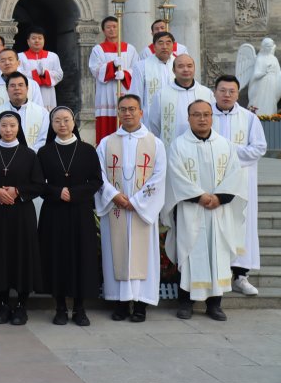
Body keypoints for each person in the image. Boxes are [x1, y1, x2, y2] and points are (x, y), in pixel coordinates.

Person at [164, 100, 247, 322]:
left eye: (206, 114)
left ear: (212, 117)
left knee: (218, 255)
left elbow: (235, 175)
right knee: (190, 253)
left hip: (219, 211)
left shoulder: (225, 145)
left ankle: (214, 304)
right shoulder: (179, 145)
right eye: (197, 114)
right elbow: (176, 176)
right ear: (188, 118)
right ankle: (185, 302)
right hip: (191, 210)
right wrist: (199, 196)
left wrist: (219, 197)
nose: (202, 119)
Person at [95, 94, 166, 322]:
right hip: (115, 208)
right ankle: (121, 303)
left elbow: (159, 177)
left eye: (132, 109)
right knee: (116, 254)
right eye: (123, 109)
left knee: (143, 256)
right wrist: (114, 195)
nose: (127, 113)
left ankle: (141, 305)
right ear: (117, 112)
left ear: (141, 112)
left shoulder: (155, 143)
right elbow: (98, 174)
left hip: (141, 211)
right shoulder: (106, 143)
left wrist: (136, 202)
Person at [37, 107, 102, 326]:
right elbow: (38, 184)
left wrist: (74, 193)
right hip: (53, 213)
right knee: (57, 258)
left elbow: (96, 181)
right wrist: (57, 192)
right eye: (57, 120)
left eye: (66, 120)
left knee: (81, 258)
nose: (62, 124)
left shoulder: (87, 150)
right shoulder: (44, 152)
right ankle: (60, 308)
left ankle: (80, 308)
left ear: (73, 122)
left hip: (80, 212)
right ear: (52, 124)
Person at [0, 111, 43, 325]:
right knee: (0, 255)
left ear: (19, 128)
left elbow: (38, 184)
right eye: (4, 125)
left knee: (22, 256)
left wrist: (17, 191)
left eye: (12, 125)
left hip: (22, 214)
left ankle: (21, 306)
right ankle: (4, 304)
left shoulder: (29, 154)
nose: (8, 130)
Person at [212, 75, 267, 296]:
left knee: (243, 225)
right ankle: (217, 274)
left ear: (237, 94)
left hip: (242, 182)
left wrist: (228, 152)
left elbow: (259, 148)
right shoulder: (206, 115)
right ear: (214, 92)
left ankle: (241, 276)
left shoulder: (249, 118)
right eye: (222, 90)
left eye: (231, 91)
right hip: (213, 180)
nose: (227, 95)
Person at [89, 15, 138, 144]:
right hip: (106, 94)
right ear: (103, 30)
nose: (112, 30)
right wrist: (112, 66)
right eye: (108, 27)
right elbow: (95, 69)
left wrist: (125, 74)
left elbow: (137, 69)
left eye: (115, 27)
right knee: (107, 128)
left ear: (119, 28)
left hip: (125, 91)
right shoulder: (98, 49)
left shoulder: (130, 49)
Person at [147, 54, 214, 148]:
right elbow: (154, 125)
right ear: (173, 70)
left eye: (189, 66)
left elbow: (213, 120)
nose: (186, 69)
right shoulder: (161, 94)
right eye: (181, 66)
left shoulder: (206, 93)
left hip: (202, 146)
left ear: (194, 69)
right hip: (172, 147)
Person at [0, 72, 49, 152]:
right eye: (13, 86)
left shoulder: (42, 113)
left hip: (34, 156)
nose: (17, 88)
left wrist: (28, 154)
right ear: (7, 90)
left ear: (27, 88)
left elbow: (44, 139)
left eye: (20, 85)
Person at [0, 49, 44, 117]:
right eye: (3, 61)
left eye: (10, 59)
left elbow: (38, 110)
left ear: (18, 63)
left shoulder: (32, 84)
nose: (7, 63)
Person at [18, 26, 64, 111]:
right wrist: (35, 73)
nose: (37, 40)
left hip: (47, 92)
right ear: (28, 41)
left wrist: (45, 73)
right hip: (29, 91)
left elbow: (59, 74)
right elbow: (18, 75)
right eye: (33, 38)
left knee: (47, 114)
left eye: (40, 38)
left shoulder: (52, 56)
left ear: (44, 40)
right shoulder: (20, 57)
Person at [129, 32, 176, 113]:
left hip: (175, 113)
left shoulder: (180, 65)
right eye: (160, 43)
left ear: (173, 46)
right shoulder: (141, 66)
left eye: (168, 43)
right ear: (154, 47)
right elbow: (135, 94)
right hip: (149, 115)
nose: (164, 47)